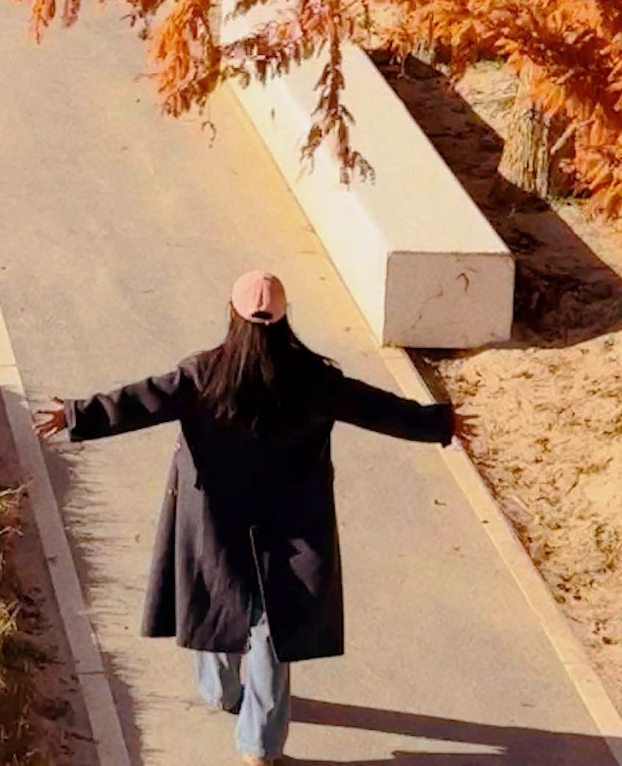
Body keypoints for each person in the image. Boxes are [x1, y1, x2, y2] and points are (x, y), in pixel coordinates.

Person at [32, 268, 456, 766]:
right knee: (272, 629)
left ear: (232, 315)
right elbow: (379, 409)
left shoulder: (203, 375)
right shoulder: (314, 379)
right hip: (291, 523)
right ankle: (260, 745)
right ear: (284, 319)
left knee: (213, 601)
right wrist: (438, 422)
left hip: (215, 518)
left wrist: (76, 414)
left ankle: (225, 697)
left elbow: (143, 399)